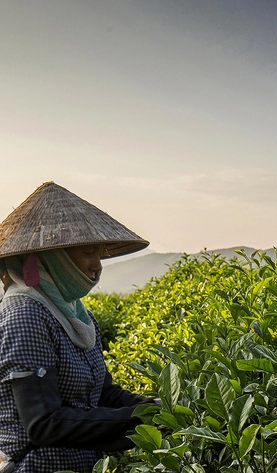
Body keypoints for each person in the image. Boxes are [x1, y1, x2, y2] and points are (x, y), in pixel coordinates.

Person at [0, 182, 155, 472]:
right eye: (87, 254)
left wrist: (158, 408)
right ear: (53, 255)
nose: (97, 265)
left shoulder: (77, 315)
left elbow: (103, 394)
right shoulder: (25, 315)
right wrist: (140, 418)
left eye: (99, 254)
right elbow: (44, 423)